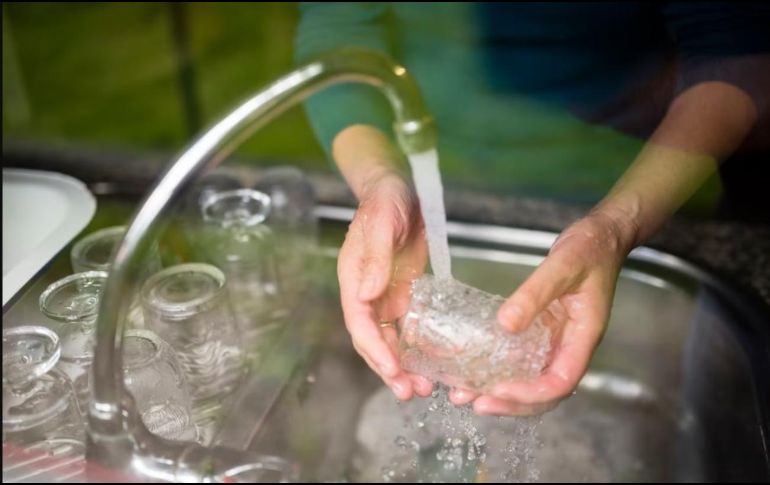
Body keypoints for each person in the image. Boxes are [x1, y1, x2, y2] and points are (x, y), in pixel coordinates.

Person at [294, 3, 769, 416]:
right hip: (439, 183)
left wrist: (617, 226)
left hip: (637, 186)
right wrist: (379, 179)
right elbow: (337, 30)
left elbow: (736, 52)